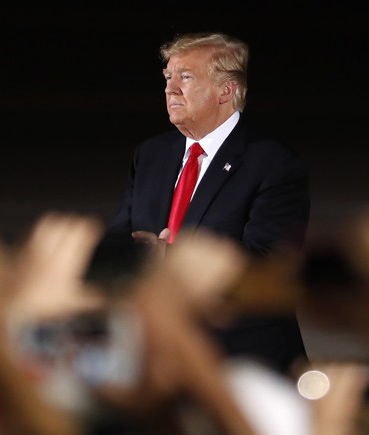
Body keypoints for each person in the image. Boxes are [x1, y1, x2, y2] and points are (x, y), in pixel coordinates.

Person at [108, 32, 311, 375]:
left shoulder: (273, 162)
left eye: (185, 77)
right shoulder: (151, 155)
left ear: (225, 91)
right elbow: (121, 237)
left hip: (242, 363)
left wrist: (166, 259)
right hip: (158, 357)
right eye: (168, 77)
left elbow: (268, 266)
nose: (170, 89)